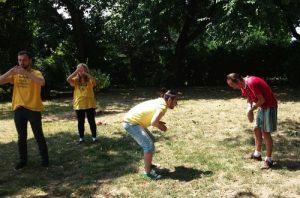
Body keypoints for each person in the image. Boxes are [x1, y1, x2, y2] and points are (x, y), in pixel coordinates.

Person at [0, 50, 49, 170]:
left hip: (33, 109)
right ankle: (23, 160)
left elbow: (42, 83)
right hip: (18, 109)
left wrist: (26, 74)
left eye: (24, 60)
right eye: (19, 60)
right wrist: (11, 71)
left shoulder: (36, 73)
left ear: (29, 60)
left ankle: (45, 159)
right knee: (21, 137)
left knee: (38, 135)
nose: (22, 62)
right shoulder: (15, 74)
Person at [123, 88, 178, 180]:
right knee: (148, 145)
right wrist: (161, 127)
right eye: (175, 101)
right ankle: (147, 173)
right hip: (131, 123)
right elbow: (153, 122)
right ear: (169, 100)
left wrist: (159, 122)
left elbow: (153, 116)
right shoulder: (162, 107)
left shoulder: (160, 101)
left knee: (151, 139)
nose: (176, 104)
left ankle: (149, 164)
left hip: (134, 122)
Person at [226, 73, 278, 169]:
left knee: (265, 132)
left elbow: (262, 100)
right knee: (256, 129)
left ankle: (269, 160)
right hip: (262, 107)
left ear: (238, 81)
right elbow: (249, 98)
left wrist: (251, 110)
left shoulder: (251, 82)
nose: (233, 88)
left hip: (269, 106)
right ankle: (257, 154)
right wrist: (248, 109)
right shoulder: (243, 85)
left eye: (233, 85)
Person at [67, 63, 97, 143]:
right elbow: (68, 79)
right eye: (79, 69)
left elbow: (95, 81)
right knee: (80, 122)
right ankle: (81, 138)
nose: (80, 71)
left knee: (91, 121)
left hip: (90, 103)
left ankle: (94, 137)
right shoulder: (75, 80)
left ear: (86, 70)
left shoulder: (89, 79)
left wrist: (86, 73)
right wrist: (76, 71)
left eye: (82, 69)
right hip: (79, 104)